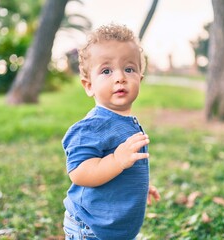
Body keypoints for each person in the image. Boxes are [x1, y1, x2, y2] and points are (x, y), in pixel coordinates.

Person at [61, 23, 161, 240]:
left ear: (139, 80)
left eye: (129, 69)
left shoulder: (126, 121)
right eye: (106, 71)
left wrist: (137, 187)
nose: (120, 77)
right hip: (91, 228)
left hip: (114, 229)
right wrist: (117, 160)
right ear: (89, 86)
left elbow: (121, 171)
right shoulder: (92, 126)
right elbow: (79, 172)